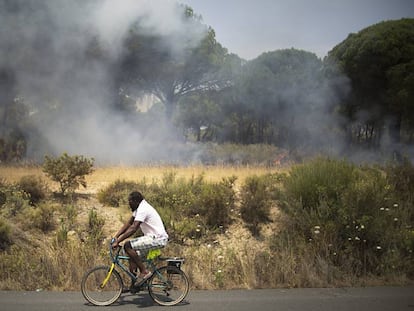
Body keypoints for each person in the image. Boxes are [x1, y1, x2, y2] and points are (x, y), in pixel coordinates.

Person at [112, 191, 168, 286]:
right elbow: (128, 224)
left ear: (135, 201)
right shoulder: (139, 208)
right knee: (132, 257)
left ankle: (144, 271)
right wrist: (116, 236)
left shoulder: (143, 209)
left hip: (158, 239)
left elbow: (133, 228)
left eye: (130, 203)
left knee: (128, 245)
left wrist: (118, 241)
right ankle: (135, 285)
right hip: (152, 237)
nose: (129, 205)